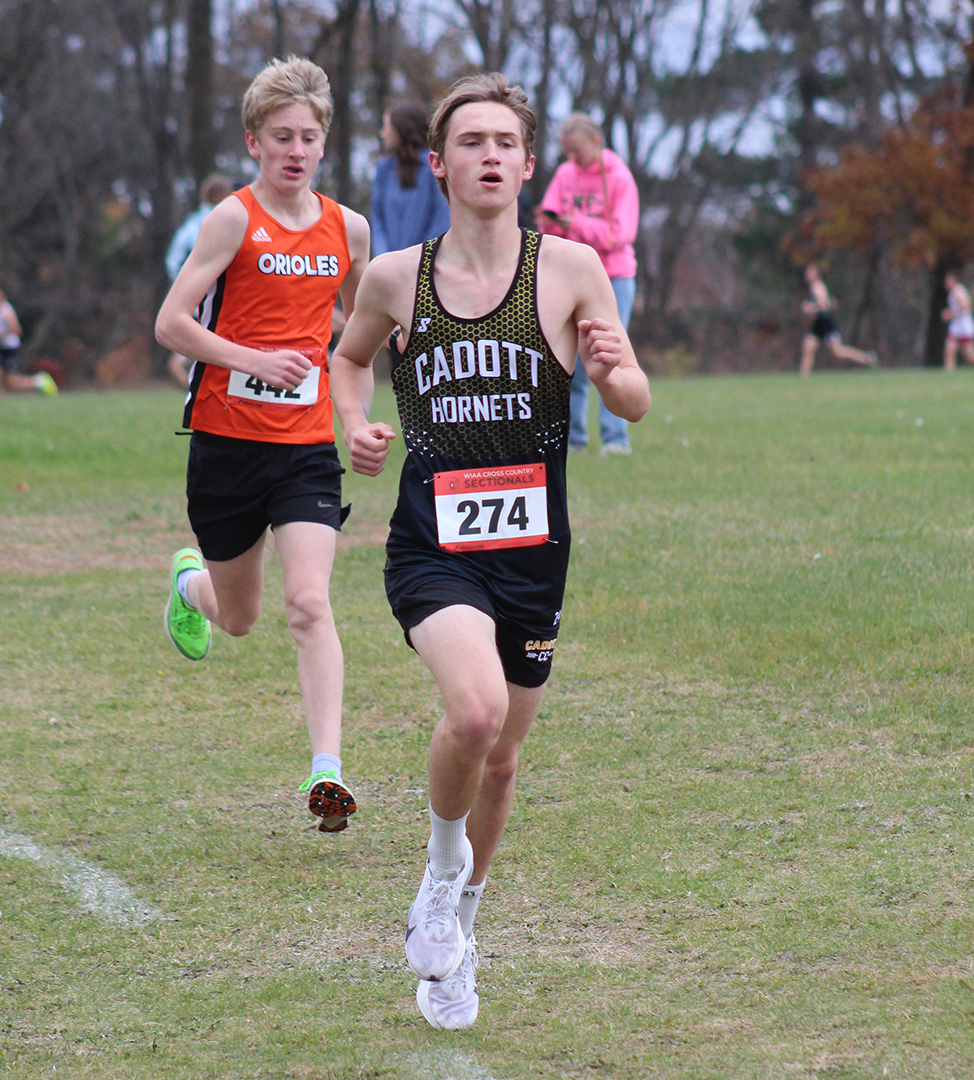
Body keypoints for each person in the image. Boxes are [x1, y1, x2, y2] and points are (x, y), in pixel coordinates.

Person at [330, 73, 650, 1029]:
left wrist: (612, 371)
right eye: (471, 141)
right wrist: (358, 428)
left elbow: (634, 398)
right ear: (439, 164)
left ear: (527, 162)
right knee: (471, 714)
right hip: (434, 545)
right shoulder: (396, 276)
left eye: (507, 142)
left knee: (504, 760)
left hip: (534, 552)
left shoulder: (574, 270)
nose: (490, 156)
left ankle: (459, 931)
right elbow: (349, 359)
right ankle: (437, 876)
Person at [154, 56, 369, 833]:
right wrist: (252, 360)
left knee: (310, 603)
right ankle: (189, 587)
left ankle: (328, 772)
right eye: (282, 136)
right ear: (254, 141)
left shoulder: (350, 229)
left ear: (324, 143)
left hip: (306, 449)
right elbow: (171, 323)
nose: (297, 150)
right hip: (225, 445)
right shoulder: (234, 219)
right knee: (239, 617)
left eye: (310, 137)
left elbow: (363, 336)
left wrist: (361, 417)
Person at [536, 113, 639, 455]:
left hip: (614, 275)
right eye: (567, 151)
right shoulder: (566, 174)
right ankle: (573, 439)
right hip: (571, 276)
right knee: (571, 360)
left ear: (595, 142)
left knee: (610, 354)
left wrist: (574, 222)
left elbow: (620, 235)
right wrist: (551, 223)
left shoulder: (619, 177)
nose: (572, 159)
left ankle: (615, 439)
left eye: (577, 151)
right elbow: (552, 228)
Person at [164, 174, 234, 387]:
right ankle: (195, 382)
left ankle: (193, 379)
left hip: (198, 299)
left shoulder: (190, 224)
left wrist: (184, 288)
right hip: (216, 299)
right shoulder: (220, 222)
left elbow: (172, 261)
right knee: (214, 344)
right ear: (220, 195)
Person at [370, 102, 450, 257]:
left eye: (386, 126)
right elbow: (377, 222)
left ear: (401, 129)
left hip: (426, 267)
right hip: (388, 269)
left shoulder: (435, 168)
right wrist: (385, 260)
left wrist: (417, 262)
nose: (383, 133)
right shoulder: (383, 170)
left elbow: (441, 221)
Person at [799, 264, 877, 375]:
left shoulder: (818, 286)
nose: (807, 274)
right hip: (818, 323)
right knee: (808, 348)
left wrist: (810, 308)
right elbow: (829, 304)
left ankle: (867, 358)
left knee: (838, 351)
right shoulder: (814, 287)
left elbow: (824, 305)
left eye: (810, 272)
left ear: (816, 274)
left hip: (825, 323)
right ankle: (803, 379)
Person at [0, 286, 57, 396]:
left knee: (13, 383)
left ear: (2, 295)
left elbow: (16, 330)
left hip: (10, 348)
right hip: (1, 348)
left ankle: (40, 381)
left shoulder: (6, 310)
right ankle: (0, 400)